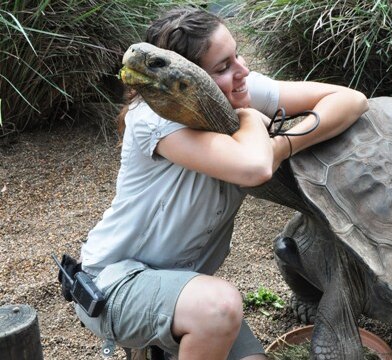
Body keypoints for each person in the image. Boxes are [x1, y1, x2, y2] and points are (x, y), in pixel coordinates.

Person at [72, 6, 368, 360]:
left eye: (237, 54)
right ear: (190, 81)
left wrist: (283, 143)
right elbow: (255, 167)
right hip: (115, 284)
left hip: (183, 287)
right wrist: (250, 120)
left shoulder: (236, 90)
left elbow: (352, 100)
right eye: (223, 67)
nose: (242, 71)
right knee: (220, 308)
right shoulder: (154, 119)